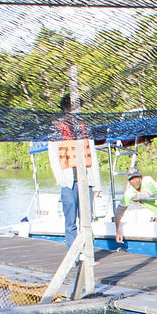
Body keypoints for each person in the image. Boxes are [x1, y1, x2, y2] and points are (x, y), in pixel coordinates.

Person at [51, 95, 95, 246]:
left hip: (86, 182)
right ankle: (73, 255)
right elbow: (53, 157)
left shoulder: (85, 128)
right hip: (69, 183)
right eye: (70, 108)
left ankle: (88, 253)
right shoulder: (56, 129)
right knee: (70, 222)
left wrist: (96, 185)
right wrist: (62, 181)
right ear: (64, 110)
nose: (73, 112)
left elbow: (92, 156)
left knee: (87, 220)